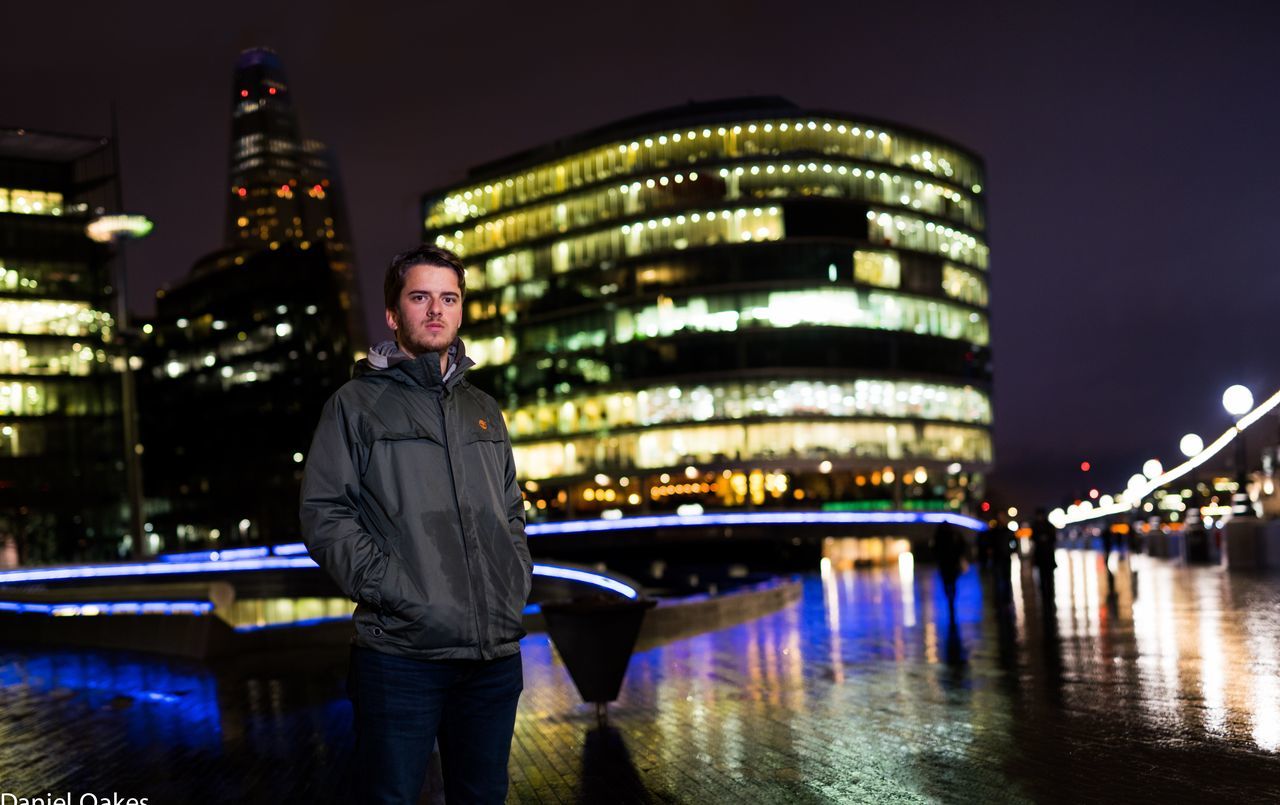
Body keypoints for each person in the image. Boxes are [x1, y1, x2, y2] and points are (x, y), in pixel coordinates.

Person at [300, 244, 532, 804]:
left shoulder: (483, 408)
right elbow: (324, 513)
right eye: (420, 297)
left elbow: (512, 511)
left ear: (460, 310)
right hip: (400, 658)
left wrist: (513, 580)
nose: (436, 310)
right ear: (392, 314)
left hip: (492, 657)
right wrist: (396, 590)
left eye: (448, 298)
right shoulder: (354, 405)